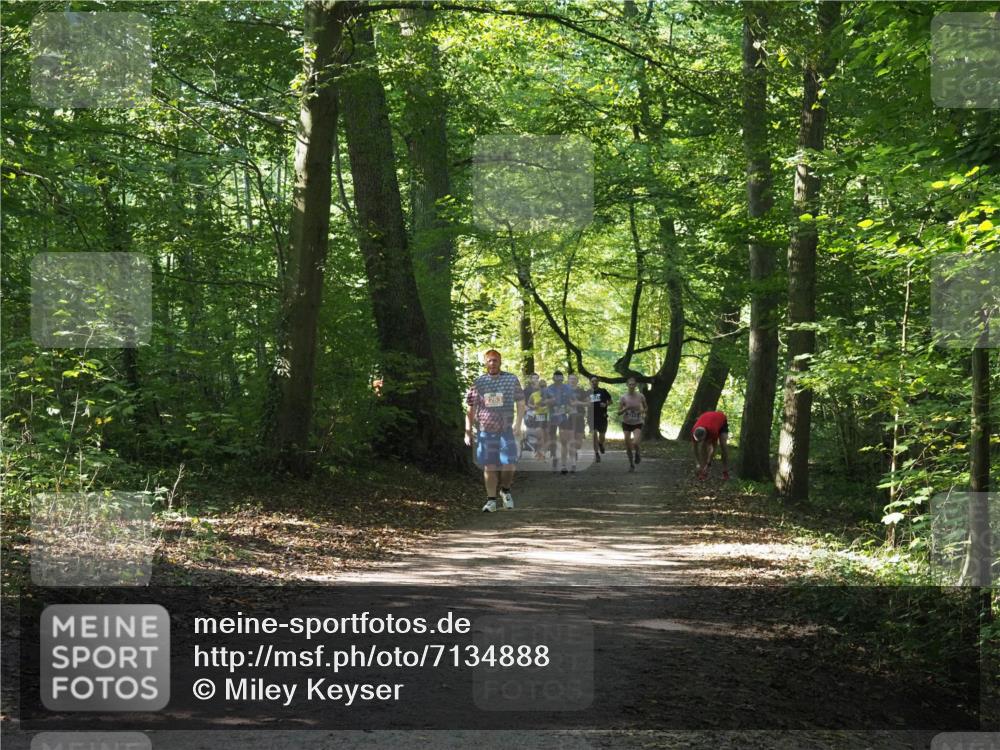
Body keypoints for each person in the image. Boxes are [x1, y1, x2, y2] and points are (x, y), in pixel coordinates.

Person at [465, 349, 525, 512]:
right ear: (485, 362)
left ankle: (505, 490)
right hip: (485, 430)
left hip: (506, 430)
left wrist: (518, 424)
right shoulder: (478, 382)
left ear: (500, 362)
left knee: (509, 464)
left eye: (495, 360)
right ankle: (491, 501)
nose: (492, 363)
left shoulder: (511, 379)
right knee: (489, 466)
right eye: (489, 360)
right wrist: (468, 430)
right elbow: (470, 409)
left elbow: (520, 403)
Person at [544, 370, 577, 474]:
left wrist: (571, 409)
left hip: (564, 418)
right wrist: (549, 402)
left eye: (560, 376)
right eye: (556, 376)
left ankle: (564, 465)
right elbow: (543, 403)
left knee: (564, 441)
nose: (558, 378)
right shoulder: (548, 389)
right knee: (552, 440)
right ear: (553, 378)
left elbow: (573, 402)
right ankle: (554, 457)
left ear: (562, 378)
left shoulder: (568, 388)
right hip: (552, 418)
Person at [617, 377, 647, 472]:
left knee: (635, 443)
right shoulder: (623, 397)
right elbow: (618, 412)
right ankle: (631, 464)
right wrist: (626, 409)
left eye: (633, 384)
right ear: (627, 385)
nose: (632, 386)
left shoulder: (640, 396)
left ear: (636, 385)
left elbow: (646, 408)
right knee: (628, 445)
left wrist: (643, 411)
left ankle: (638, 453)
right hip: (626, 423)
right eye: (630, 384)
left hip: (637, 422)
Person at [691, 410, 730, 481]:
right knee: (703, 446)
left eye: (701, 440)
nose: (699, 442)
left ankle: (725, 471)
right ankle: (703, 471)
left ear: (706, 435)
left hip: (721, 420)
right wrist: (697, 464)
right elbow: (695, 448)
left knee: (723, 445)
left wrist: (708, 464)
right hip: (707, 418)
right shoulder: (694, 430)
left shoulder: (713, 431)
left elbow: (714, 448)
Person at [587, 376, 612, 462]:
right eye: (592, 381)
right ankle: (596, 454)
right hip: (591, 416)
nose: (594, 382)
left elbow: (610, 401)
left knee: (602, 435)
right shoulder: (587, 392)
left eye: (595, 381)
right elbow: (584, 402)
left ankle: (601, 444)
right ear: (590, 382)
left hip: (602, 416)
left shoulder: (603, 391)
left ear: (598, 382)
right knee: (594, 434)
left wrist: (606, 404)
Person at [567, 373, 589, 471]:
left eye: (574, 379)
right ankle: (573, 463)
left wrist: (578, 403)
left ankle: (575, 451)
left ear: (577, 381)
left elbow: (589, 403)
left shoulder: (581, 391)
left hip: (579, 418)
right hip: (569, 418)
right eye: (570, 379)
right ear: (568, 380)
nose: (572, 380)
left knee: (578, 444)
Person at [526, 377, 550, 459]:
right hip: (538, 415)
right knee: (540, 435)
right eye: (541, 386)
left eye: (544, 386)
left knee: (546, 434)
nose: (543, 387)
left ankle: (544, 452)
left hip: (547, 415)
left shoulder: (550, 394)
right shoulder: (534, 394)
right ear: (539, 387)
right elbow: (529, 404)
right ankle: (539, 452)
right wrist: (534, 406)